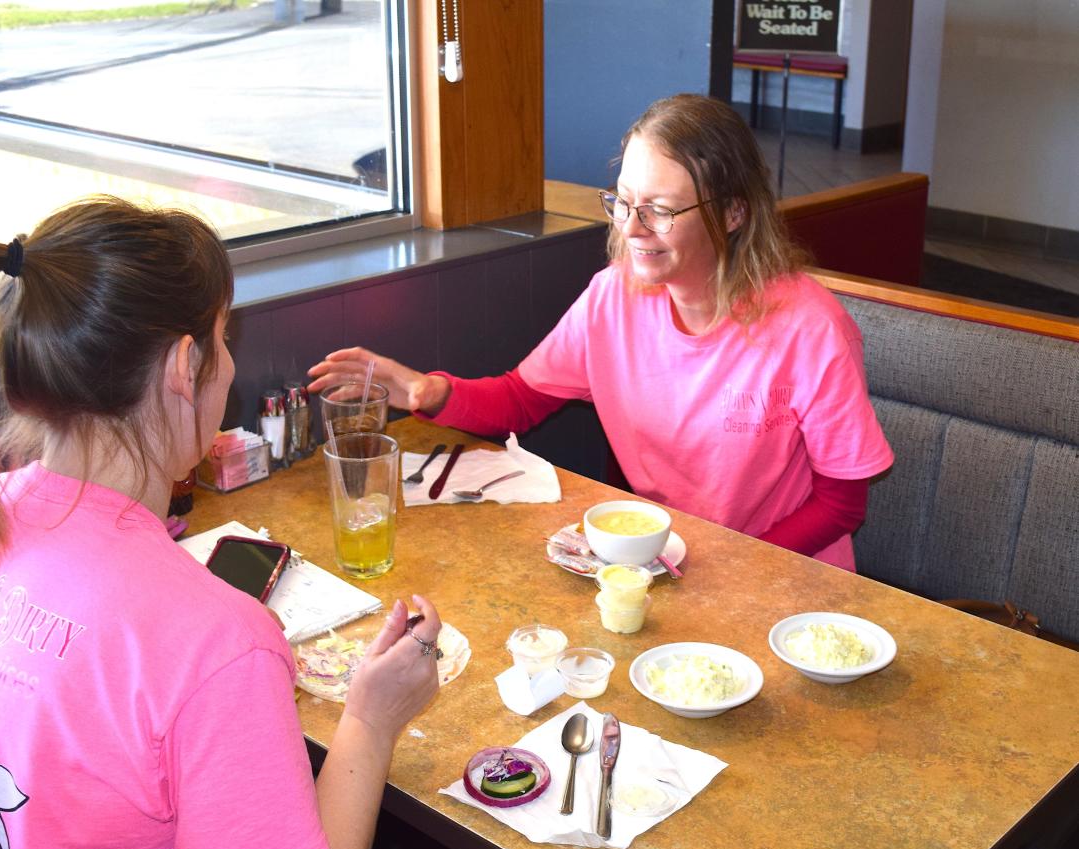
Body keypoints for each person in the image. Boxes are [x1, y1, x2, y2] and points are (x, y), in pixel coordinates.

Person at [0, 196, 547, 849]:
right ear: (182, 367)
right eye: (225, 340)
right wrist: (371, 718)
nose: (228, 365)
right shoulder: (213, 638)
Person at [308, 94, 894, 571]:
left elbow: (842, 503)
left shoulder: (810, 327)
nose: (633, 228)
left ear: (734, 213)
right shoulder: (613, 295)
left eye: (660, 210)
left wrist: (728, 568)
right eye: (624, 202)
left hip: (781, 576)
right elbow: (520, 400)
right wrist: (424, 393)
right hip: (652, 567)